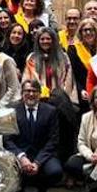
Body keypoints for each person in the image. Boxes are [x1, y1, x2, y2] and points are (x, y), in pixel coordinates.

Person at [23, 27, 79, 164]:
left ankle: (66, 162)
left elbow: (68, 80)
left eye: (48, 38)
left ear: (54, 40)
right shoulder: (32, 58)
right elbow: (28, 80)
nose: (45, 41)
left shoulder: (63, 57)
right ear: (38, 41)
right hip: (39, 101)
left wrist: (69, 101)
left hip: (60, 102)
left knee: (64, 129)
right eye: (42, 39)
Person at [6, 79, 63, 192]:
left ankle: (41, 188)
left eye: (34, 91)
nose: (31, 94)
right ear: (22, 93)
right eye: (27, 91)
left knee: (55, 171)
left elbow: (53, 140)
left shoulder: (50, 111)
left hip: (42, 155)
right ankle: (21, 186)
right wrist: (22, 157)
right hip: (19, 155)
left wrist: (38, 162)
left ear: (40, 93)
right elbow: (7, 140)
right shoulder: (12, 110)